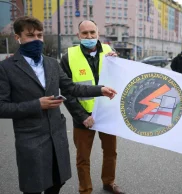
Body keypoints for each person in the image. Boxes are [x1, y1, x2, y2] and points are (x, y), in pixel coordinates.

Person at [0, 16, 117, 194]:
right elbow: (2, 106)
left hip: (57, 133)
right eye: (31, 36)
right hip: (32, 136)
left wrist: (101, 89)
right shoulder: (6, 67)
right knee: (34, 186)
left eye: (40, 35)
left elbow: (72, 88)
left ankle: (106, 183)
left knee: (57, 182)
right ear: (18, 38)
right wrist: (37, 104)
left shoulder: (51, 63)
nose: (37, 40)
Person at [60, 20, 124, 194]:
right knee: (83, 157)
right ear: (78, 35)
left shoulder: (111, 53)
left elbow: (121, 80)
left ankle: (109, 182)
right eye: (85, 33)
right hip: (83, 116)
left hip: (107, 113)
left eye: (92, 33)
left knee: (111, 152)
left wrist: (118, 64)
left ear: (98, 33)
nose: (89, 36)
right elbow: (66, 90)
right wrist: (81, 116)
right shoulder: (68, 57)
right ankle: (85, 190)